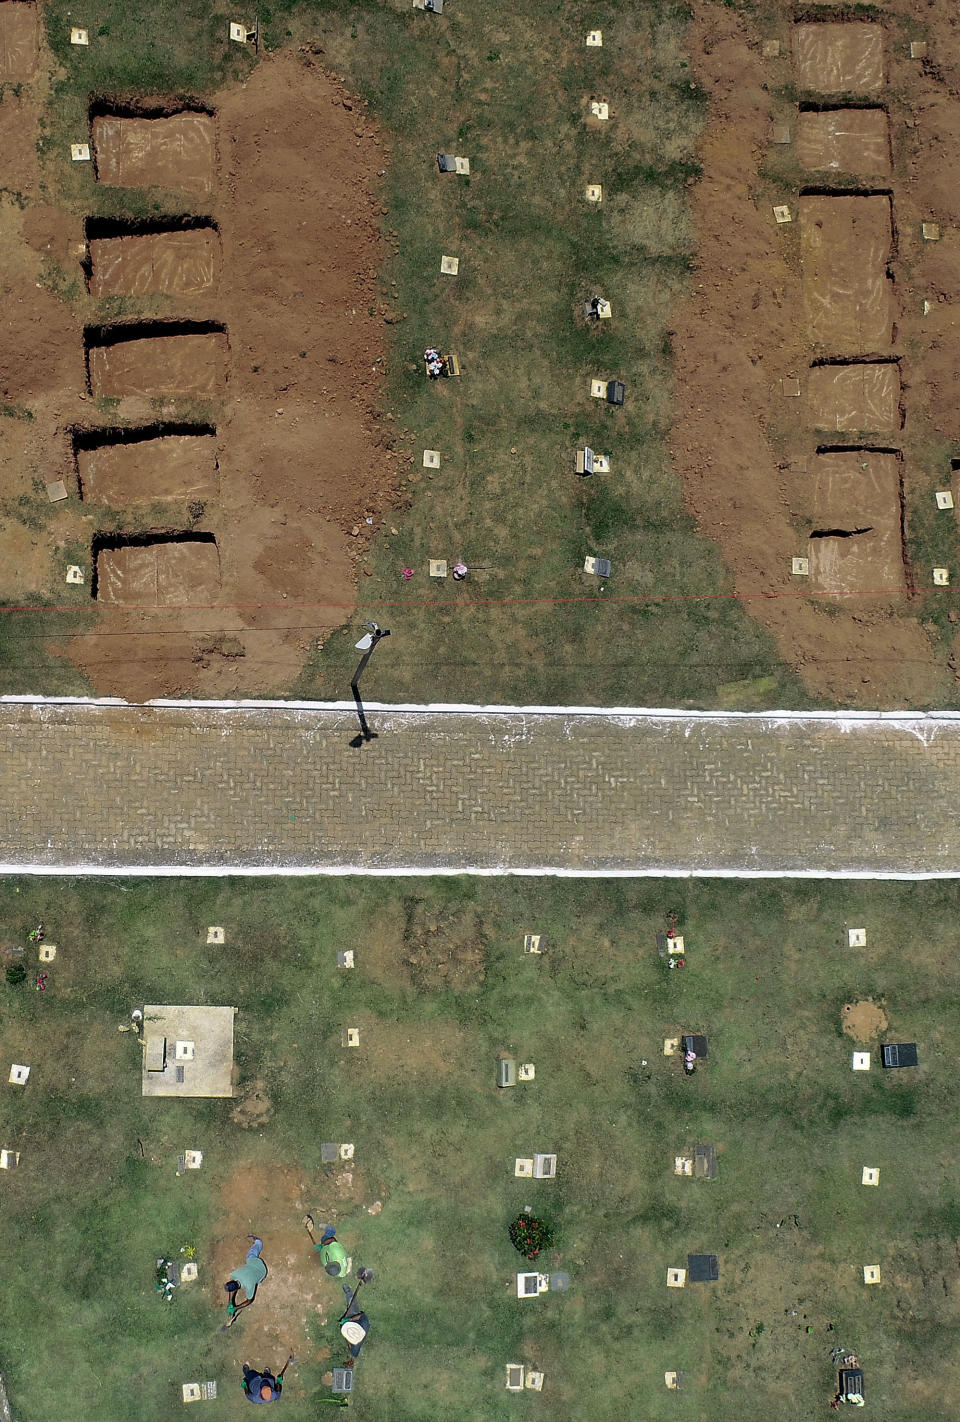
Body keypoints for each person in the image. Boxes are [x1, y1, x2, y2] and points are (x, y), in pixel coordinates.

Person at [225, 1237, 268, 1322]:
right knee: (250, 1256)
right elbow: (232, 1289)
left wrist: (236, 1308)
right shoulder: (234, 1274)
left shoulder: (249, 1285)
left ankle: (259, 1242)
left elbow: (249, 1300)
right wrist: (230, 1303)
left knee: (257, 1280)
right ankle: (258, 1243)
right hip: (254, 1262)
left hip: (262, 1272)